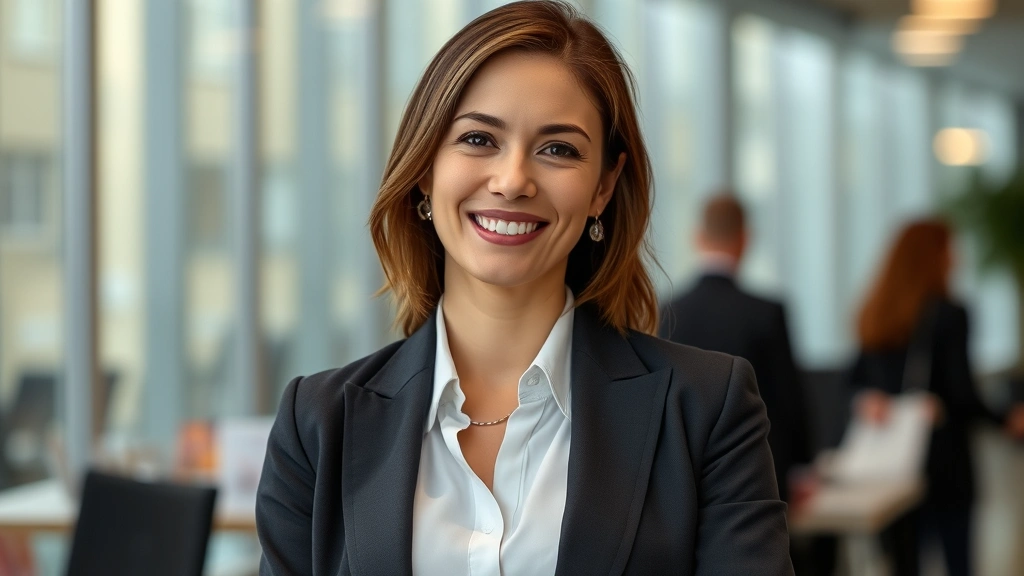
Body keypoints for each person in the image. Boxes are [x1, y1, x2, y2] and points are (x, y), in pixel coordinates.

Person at [255, 2, 792, 574]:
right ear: (424, 168)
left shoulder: (707, 410)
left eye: (558, 149)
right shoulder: (317, 422)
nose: (512, 181)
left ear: (604, 186)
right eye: (479, 139)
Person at [850, 218, 1024, 576]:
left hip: (892, 467)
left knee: (903, 562)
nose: (957, 259)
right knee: (957, 561)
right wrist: (1006, 418)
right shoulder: (948, 314)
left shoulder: (874, 312)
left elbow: (854, 380)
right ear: (935, 256)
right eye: (950, 249)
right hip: (943, 462)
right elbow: (962, 394)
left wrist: (871, 401)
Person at [660, 193, 811, 504]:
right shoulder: (767, 312)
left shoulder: (669, 310)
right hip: (759, 472)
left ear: (697, 238)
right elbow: (787, 398)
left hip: (686, 474)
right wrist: (803, 466)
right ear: (745, 239)